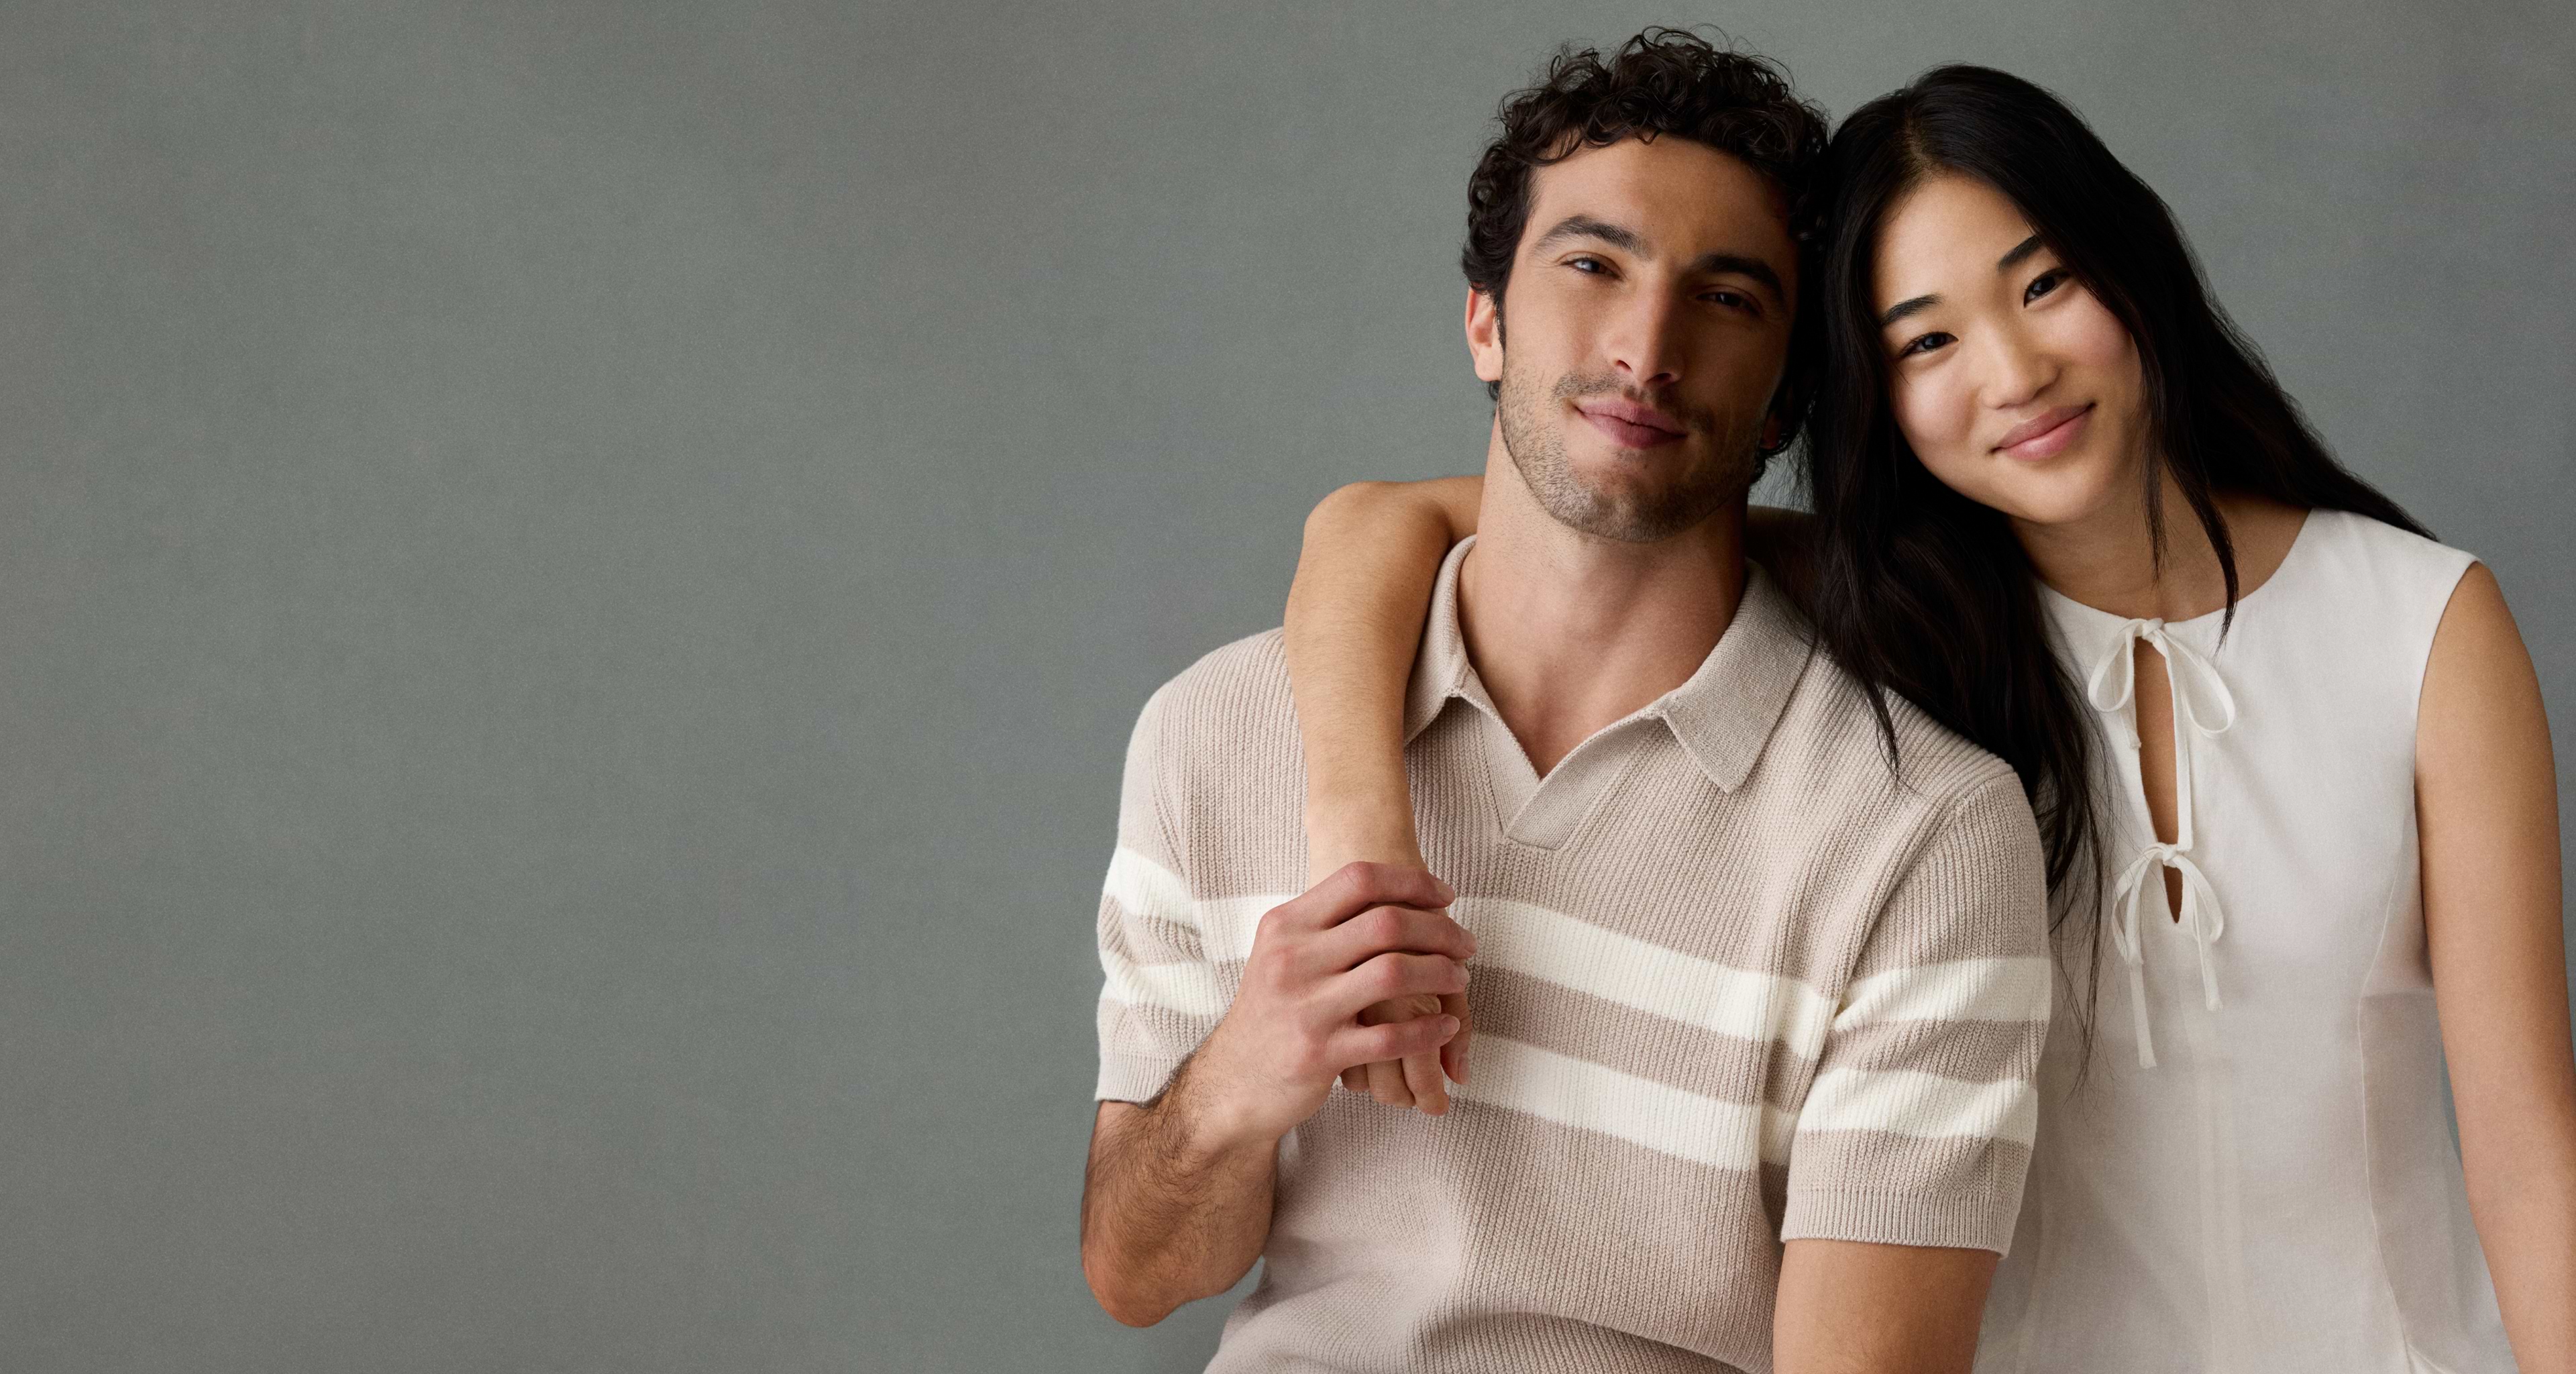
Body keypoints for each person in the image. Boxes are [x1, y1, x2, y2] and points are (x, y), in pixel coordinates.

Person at [1287, 62, 2576, 1373]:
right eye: (1927, 340)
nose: (2014, 372)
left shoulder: (2420, 623)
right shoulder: (1882, 620)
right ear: (1872, 395)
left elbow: (2529, 1157)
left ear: (2135, 269)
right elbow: (1378, 521)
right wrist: (1362, 836)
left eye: (2045, 284)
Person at [1079, 33, 2057, 1373]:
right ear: (1485, 318)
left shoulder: (1920, 830)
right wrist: (1245, 1071)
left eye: (1727, 299)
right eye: (1593, 265)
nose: (1646, 348)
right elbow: (1135, 1276)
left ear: (1785, 399)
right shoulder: (1221, 731)